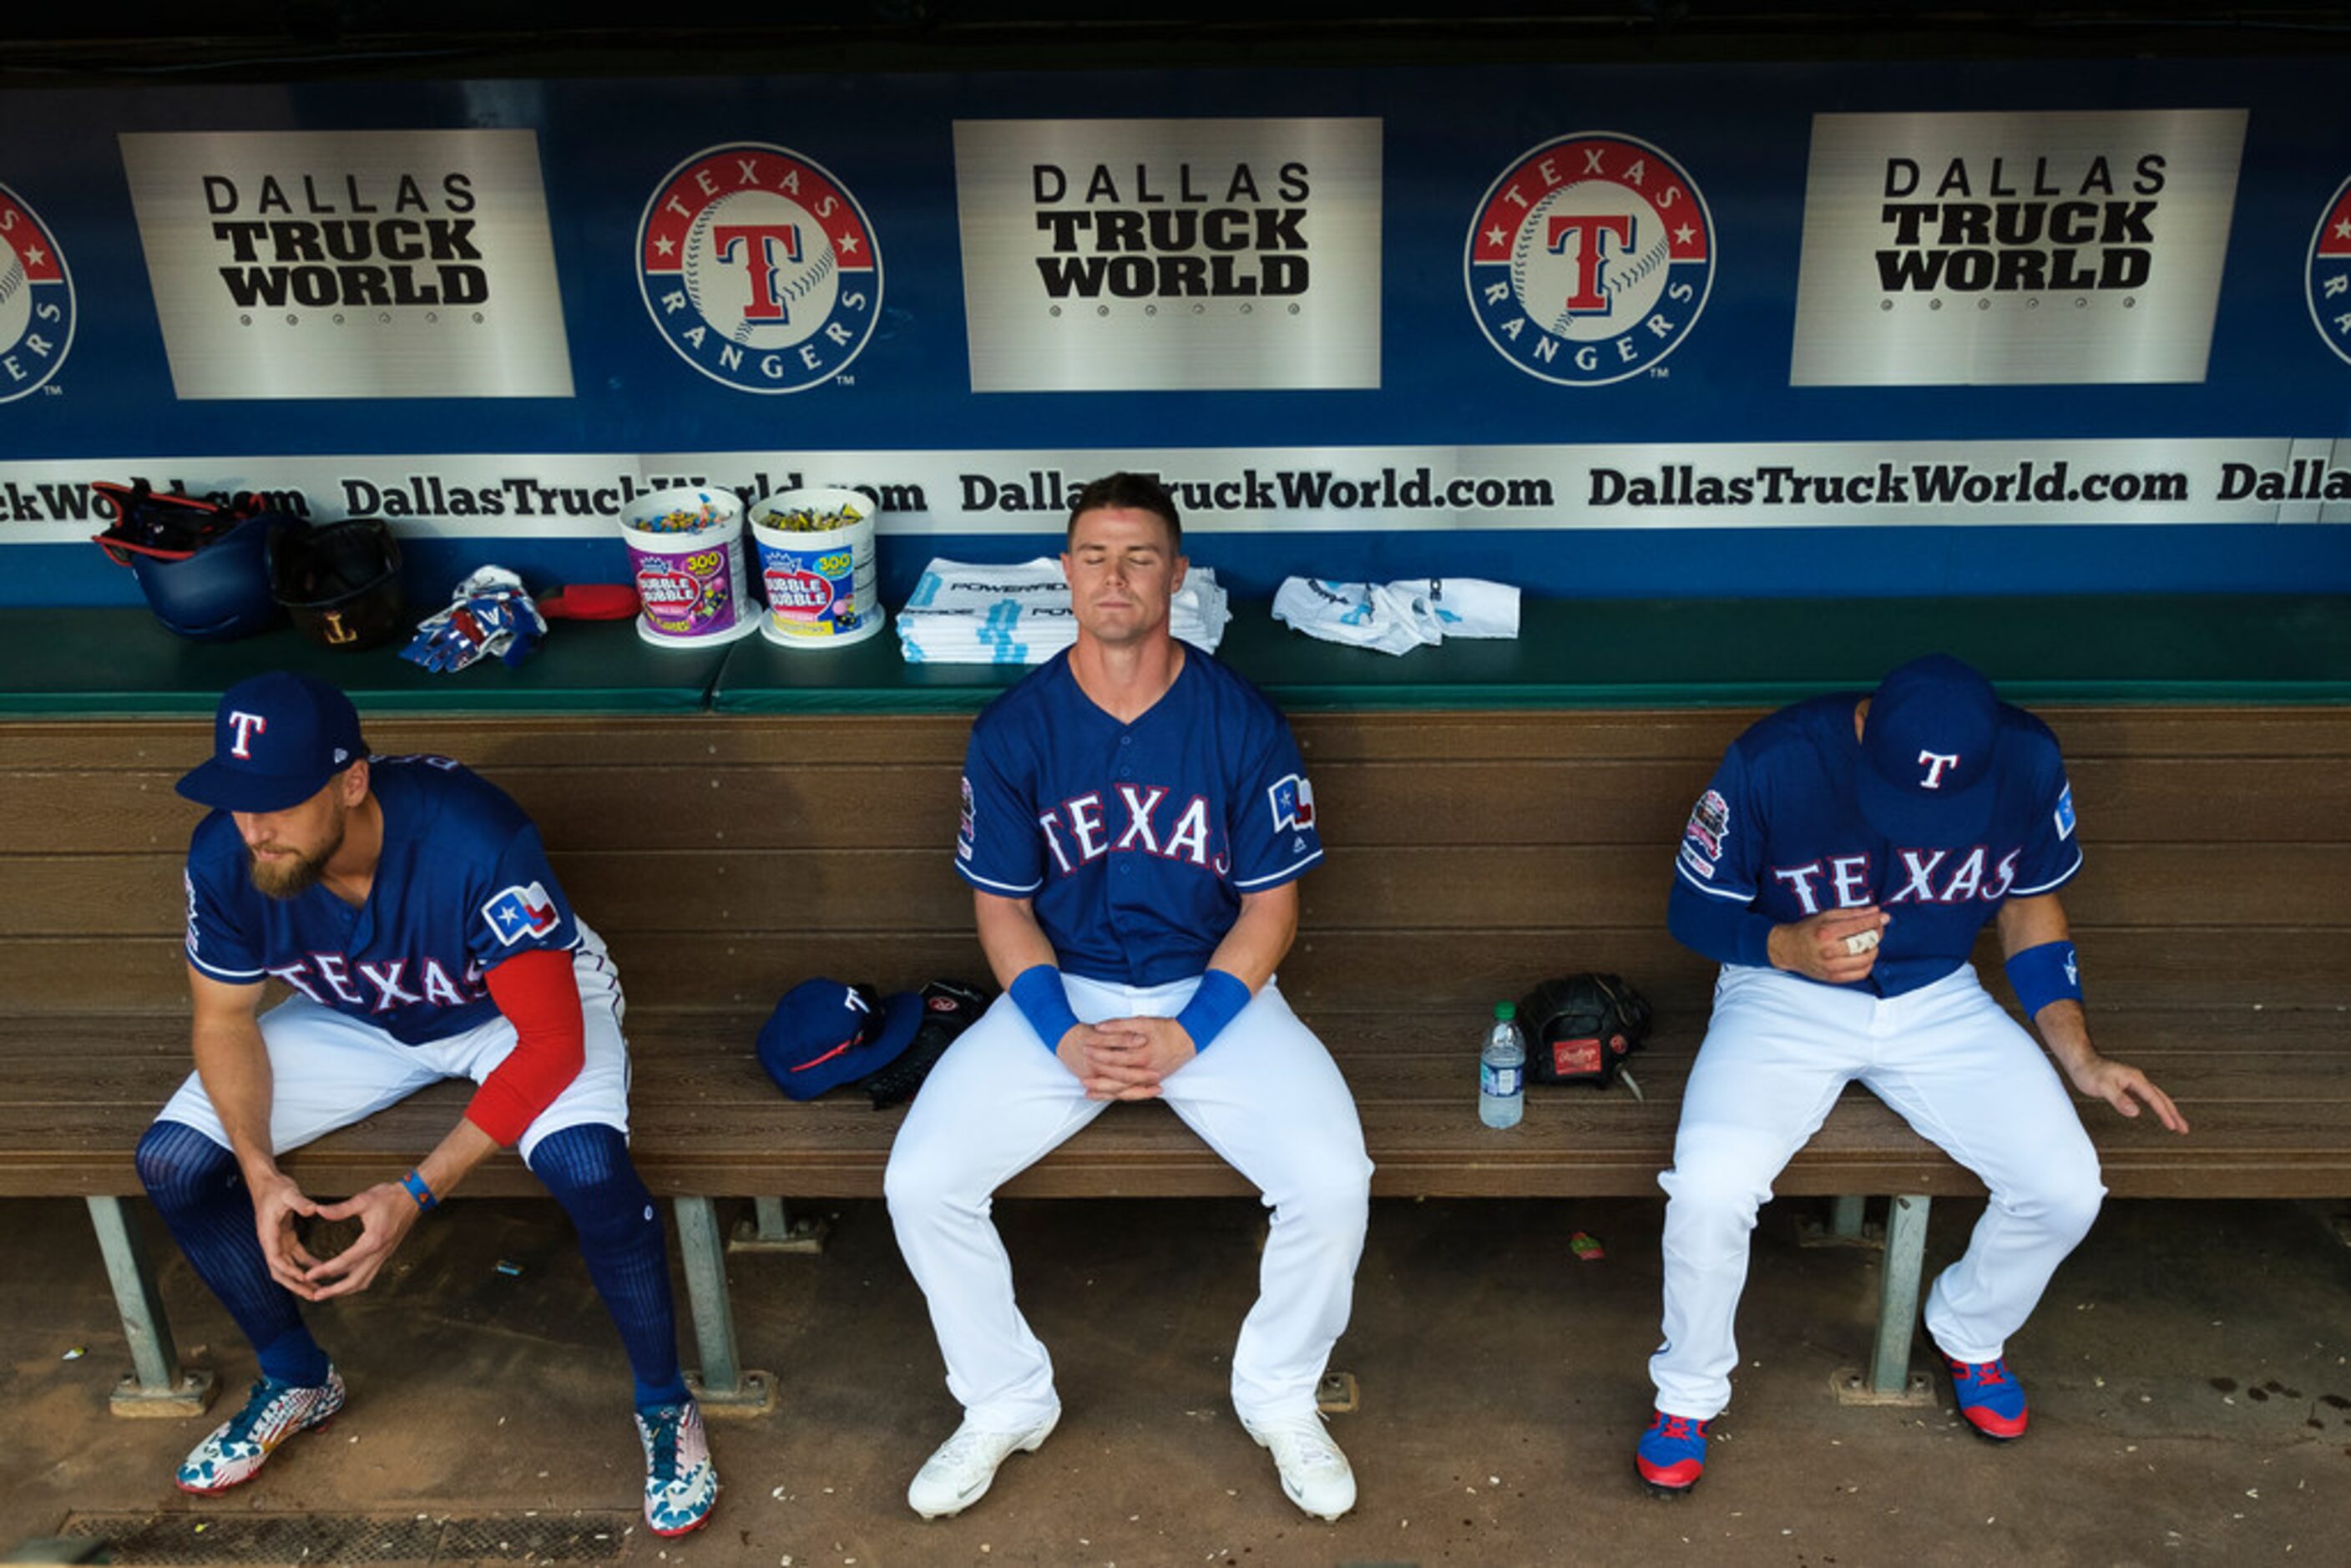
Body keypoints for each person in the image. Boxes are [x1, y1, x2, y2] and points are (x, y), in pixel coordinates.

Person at [885, 473, 1373, 1522]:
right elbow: (1003, 915)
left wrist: (1190, 1033)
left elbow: (1270, 913)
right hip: (1059, 998)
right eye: (1095, 556)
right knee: (922, 1181)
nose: (1115, 576)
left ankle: (1279, 1392)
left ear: (1175, 575)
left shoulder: (1238, 720)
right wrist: (1063, 1037)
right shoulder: (1014, 729)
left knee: (1332, 1181)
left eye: (1138, 556)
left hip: (1213, 995)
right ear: (1064, 573)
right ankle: (1005, 1399)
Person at [135, 670, 718, 1537]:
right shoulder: (230, 855)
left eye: (280, 802)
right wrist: (258, 1171)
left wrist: (414, 1192)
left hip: (509, 1012)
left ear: (352, 781)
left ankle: (667, 1406)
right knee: (178, 1163)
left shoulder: (474, 840)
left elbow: (551, 1042)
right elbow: (224, 1020)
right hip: (357, 1011)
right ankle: (297, 1378)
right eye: (237, 799)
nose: (256, 827)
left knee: (585, 1164)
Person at [1640, 653, 2189, 1494]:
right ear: (1864, 728)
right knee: (1710, 1188)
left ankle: (1966, 1328)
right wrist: (1783, 945)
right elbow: (1692, 910)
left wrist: (2077, 1055)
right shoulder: (1774, 758)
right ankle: (1686, 1394)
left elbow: (2027, 903)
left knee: (2064, 1186)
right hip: (1784, 994)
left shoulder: (2026, 758)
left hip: (1938, 997)